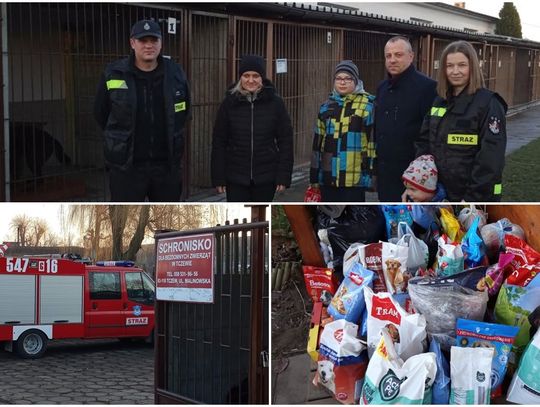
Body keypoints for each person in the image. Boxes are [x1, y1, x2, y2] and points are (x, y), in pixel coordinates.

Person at [94, 20, 190, 201]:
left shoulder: (176, 73)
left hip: (166, 168)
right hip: (127, 168)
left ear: (161, 43)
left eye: (153, 40)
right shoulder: (113, 73)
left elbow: (184, 112)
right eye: (142, 40)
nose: (148, 45)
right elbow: (101, 113)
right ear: (132, 43)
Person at [415, 40, 507, 202]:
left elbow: (490, 159)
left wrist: (472, 198)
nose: (455, 71)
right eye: (450, 66)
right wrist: (420, 183)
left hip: (472, 195)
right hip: (439, 192)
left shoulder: (488, 103)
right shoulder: (439, 101)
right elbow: (423, 142)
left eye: (462, 65)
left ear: (472, 67)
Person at [211, 55, 293, 202]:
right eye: (246, 75)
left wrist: (283, 176)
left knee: (262, 214)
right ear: (240, 77)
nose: (250, 80)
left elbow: (286, 140)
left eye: (255, 76)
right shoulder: (229, 103)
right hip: (235, 177)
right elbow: (219, 141)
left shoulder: (275, 103)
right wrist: (219, 177)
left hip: (266, 176)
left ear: (262, 78)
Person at [375, 36, 437, 202]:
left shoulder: (427, 87)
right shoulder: (382, 88)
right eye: (388, 56)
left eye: (398, 55)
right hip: (385, 175)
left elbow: (433, 133)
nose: (392, 60)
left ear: (411, 56)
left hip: (413, 177)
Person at [309, 60, 375, 202]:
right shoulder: (326, 107)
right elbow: (317, 144)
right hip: (328, 177)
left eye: (347, 78)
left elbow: (372, 144)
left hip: (354, 177)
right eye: (338, 78)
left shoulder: (368, 106)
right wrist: (314, 176)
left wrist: (371, 175)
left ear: (356, 81)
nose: (342, 82)